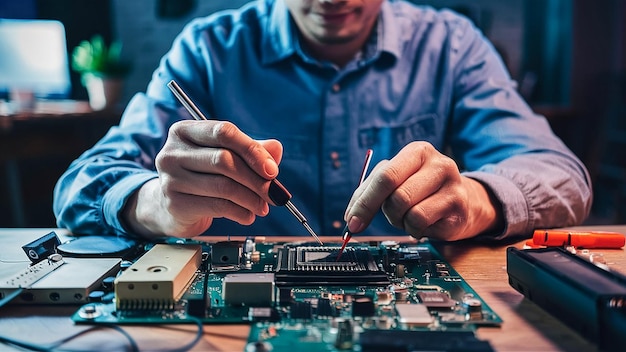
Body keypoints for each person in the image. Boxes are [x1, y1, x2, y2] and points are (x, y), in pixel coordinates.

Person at [53, 0, 592, 243]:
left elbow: (561, 175)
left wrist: (477, 199)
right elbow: (81, 186)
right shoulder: (209, 50)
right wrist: (158, 205)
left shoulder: (452, 46)